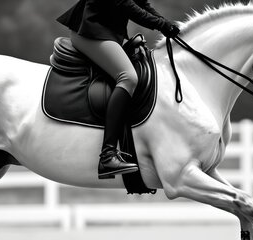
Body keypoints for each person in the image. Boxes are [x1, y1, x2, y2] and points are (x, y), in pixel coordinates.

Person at [56, 0, 180, 179]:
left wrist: (166, 23)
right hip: (90, 30)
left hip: (107, 32)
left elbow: (142, 3)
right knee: (128, 77)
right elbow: (126, 4)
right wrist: (162, 25)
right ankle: (107, 155)